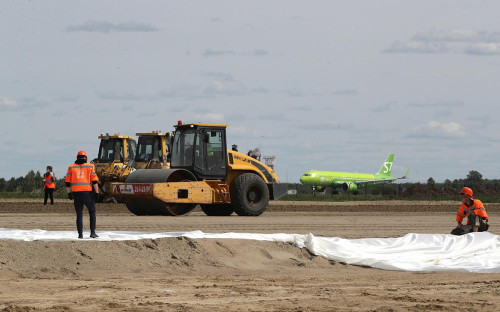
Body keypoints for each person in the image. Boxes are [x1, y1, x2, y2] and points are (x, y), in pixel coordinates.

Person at [65, 151, 100, 239]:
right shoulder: (90, 166)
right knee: (92, 212)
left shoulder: (71, 167)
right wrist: (97, 192)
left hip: (76, 194)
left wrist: (69, 193)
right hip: (87, 193)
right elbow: (94, 181)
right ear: (86, 158)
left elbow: (67, 182)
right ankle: (92, 232)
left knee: (79, 214)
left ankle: (80, 234)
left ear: (77, 157)